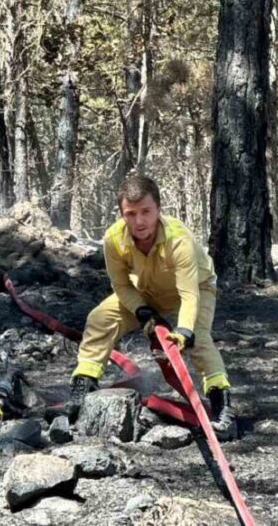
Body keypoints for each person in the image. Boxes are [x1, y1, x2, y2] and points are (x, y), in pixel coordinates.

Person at [65, 174, 238, 440]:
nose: (139, 221)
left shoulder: (179, 239)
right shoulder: (113, 239)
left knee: (199, 339)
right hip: (147, 291)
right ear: (122, 213)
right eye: (130, 213)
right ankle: (83, 385)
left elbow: (189, 294)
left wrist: (184, 332)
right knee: (100, 318)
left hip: (195, 289)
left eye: (146, 211)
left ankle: (222, 407)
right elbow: (121, 285)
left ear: (158, 209)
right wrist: (141, 310)